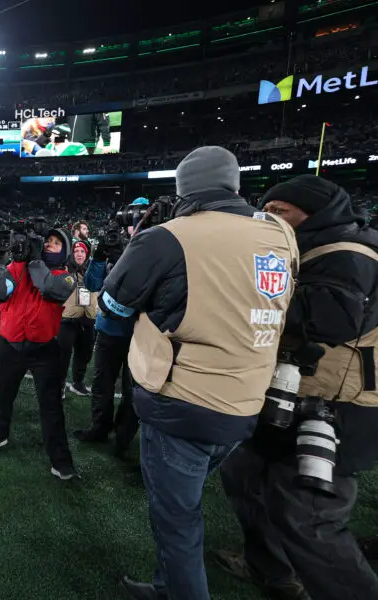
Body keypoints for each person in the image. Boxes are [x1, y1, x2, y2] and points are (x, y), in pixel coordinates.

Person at [107, 147, 299, 600]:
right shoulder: (280, 234)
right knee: (183, 510)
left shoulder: (168, 236)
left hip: (184, 404)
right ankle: (164, 586)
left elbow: (115, 305)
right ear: (234, 185)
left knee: (178, 524)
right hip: (248, 404)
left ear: (183, 191)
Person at [215, 175, 378, 600]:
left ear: (313, 212)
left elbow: (333, 320)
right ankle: (270, 571)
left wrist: (255, 300)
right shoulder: (310, 247)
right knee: (244, 475)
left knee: (309, 516)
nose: (267, 218)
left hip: (334, 405)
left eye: (278, 211)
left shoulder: (348, 252)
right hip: (291, 393)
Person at [0, 226, 78, 480]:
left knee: (51, 407)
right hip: (11, 344)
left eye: (55, 244)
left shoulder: (66, 277)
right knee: (3, 395)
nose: (48, 245)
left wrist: (35, 259)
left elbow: (49, 288)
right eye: (45, 242)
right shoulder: (18, 268)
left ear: (65, 250)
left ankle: (61, 460)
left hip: (44, 349)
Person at [75, 199, 147, 458]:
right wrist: (99, 255)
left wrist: (123, 261)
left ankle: (123, 436)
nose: (133, 224)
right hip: (108, 329)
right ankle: (99, 427)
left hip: (140, 334)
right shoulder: (116, 245)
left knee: (133, 389)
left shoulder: (153, 248)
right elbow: (93, 285)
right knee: (102, 382)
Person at [58, 241, 96, 396]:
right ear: (72, 254)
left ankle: (77, 383)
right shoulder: (65, 269)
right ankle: (59, 386)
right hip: (68, 320)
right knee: (63, 356)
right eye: (77, 251)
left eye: (83, 251)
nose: (80, 254)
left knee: (84, 354)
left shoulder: (93, 270)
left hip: (87, 319)